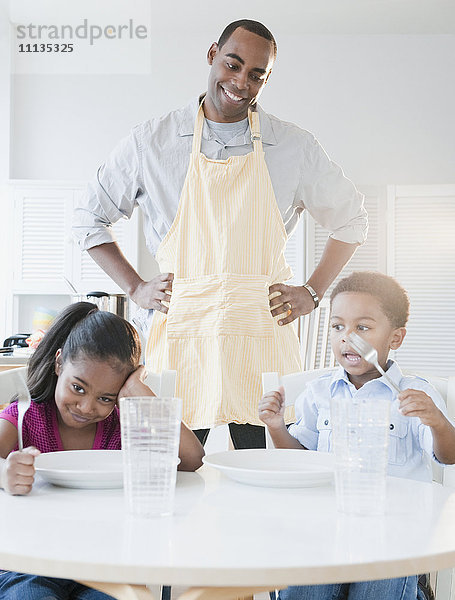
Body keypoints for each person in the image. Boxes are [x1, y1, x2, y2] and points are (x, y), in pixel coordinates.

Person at [73, 19, 368, 449]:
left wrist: (313, 291)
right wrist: (135, 287)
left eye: (256, 75)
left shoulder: (294, 147)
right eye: (232, 64)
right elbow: (88, 219)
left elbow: (353, 220)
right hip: (183, 332)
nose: (240, 82)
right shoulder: (150, 143)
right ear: (212, 54)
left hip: (261, 330)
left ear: (267, 78)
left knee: (268, 463)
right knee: (177, 465)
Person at [259, 271, 455, 600]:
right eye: (338, 326)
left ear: (395, 338)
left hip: (394, 537)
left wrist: (436, 421)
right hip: (324, 532)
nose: (347, 337)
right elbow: (298, 458)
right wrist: (277, 426)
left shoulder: (415, 394)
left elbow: (449, 456)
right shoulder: (318, 392)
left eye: (362, 327)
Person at [0, 302, 204, 600]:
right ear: (59, 364)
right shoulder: (24, 417)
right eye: (78, 388)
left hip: (107, 564)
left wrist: (141, 395)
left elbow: (193, 459)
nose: (87, 407)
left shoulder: (123, 425)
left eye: (106, 397)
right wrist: (5, 473)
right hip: (31, 563)